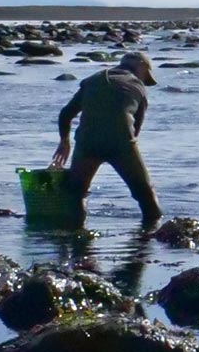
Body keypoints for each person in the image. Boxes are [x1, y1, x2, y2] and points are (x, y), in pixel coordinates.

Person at [51, 50, 163, 224]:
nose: (144, 80)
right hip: (121, 144)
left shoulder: (92, 80)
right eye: (146, 75)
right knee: (145, 194)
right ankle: (150, 239)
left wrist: (64, 141)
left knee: (76, 193)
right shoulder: (138, 87)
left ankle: (76, 238)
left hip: (87, 143)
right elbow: (136, 128)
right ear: (141, 67)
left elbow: (66, 113)